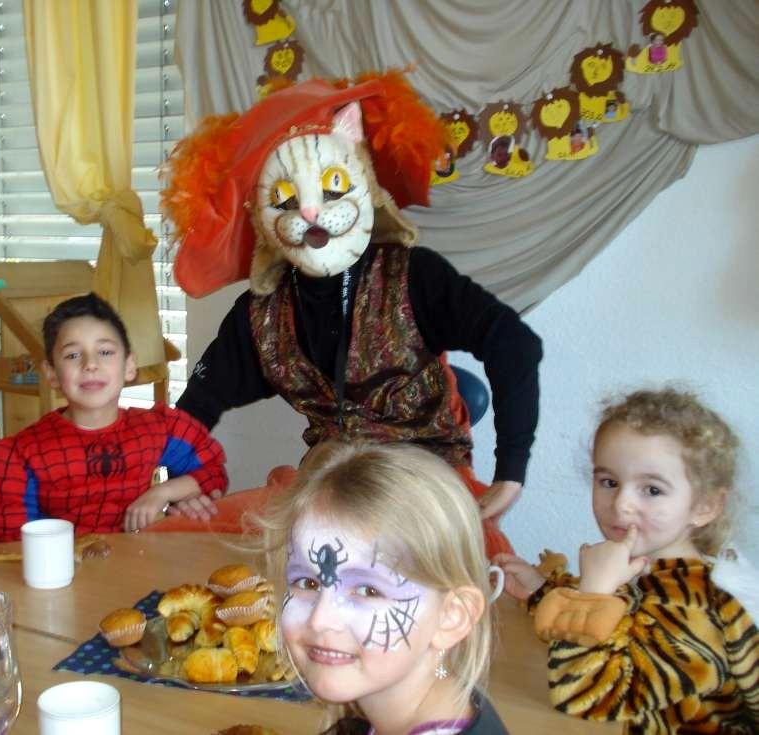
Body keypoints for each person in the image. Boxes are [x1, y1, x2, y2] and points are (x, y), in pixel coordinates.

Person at [162, 72, 542, 557]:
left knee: (488, 576)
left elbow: (514, 342)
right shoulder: (260, 315)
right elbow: (197, 404)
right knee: (185, 540)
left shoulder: (413, 275)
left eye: (332, 186)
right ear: (261, 214)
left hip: (423, 483)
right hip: (326, 489)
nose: (312, 213)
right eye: (285, 199)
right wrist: (180, 480)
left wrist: (512, 469)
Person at [495, 388, 758, 732]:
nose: (621, 504)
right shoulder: (652, 568)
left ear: (704, 506)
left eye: (652, 490)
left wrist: (593, 595)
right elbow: (623, 626)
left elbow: (586, 698)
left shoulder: (699, 611)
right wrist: (541, 592)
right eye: (609, 482)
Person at [257, 441, 507, 734]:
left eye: (368, 590)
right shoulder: (447, 699)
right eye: (307, 583)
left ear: (451, 616)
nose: (320, 619)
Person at [0, 293, 227, 540]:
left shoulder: (157, 428)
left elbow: (213, 472)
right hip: (59, 575)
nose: (91, 364)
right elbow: (8, 545)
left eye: (106, 352)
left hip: (139, 569)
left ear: (129, 366)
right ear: (52, 373)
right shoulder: (20, 455)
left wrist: (162, 493)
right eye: (73, 355)